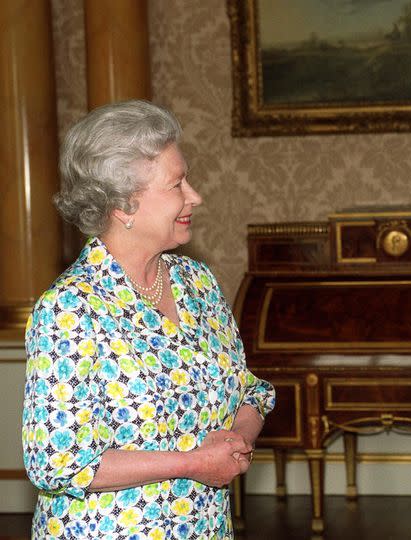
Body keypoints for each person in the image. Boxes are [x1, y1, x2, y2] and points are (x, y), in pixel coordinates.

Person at [21, 100, 275, 538]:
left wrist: (237, 438)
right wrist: (194, 462)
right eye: (177, 184)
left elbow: (250, 390)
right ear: (124, 205)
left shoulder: (197, 282)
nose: (195, 195)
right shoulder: (70, 309)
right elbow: (55, 462)